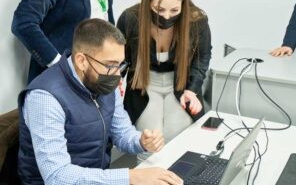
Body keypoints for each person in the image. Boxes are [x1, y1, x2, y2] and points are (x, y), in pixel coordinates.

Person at [17, 18, 183, 185]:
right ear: (82, 61)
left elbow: (122, 133)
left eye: (120, 64)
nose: (117, 74)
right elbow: (57, 176)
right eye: (110, 65)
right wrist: (131, 177)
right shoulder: (45, 97)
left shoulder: (103, 81)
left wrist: (141, 141)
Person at [117, 0, 212, 161]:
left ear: (183, 4)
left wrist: (192, 89)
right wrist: (114, 81)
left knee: (179, 142)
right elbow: (120, 58)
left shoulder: (197, 20)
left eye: (175, 10)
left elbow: (202, 57)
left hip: (181, 86)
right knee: (151, 146)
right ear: (148, 1)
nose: (167, 16)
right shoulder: (130, 18)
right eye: (159, 9)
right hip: (143, 86)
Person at [12, 0, 114, 83]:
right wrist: (59, 65)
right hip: (59, 82)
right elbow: (23, 22)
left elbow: (108, 26)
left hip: (97, 79)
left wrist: (113, 69)